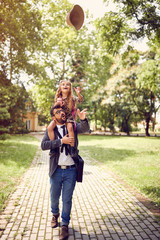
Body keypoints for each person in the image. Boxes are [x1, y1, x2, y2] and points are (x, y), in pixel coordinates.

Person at [41, 104, 89, 240]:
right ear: (53, 117)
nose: (61, 113)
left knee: (67, 199)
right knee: (54, 198)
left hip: (71, 170)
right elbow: (44, 145)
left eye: (62, 111)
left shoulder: (72, 126)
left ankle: (65, 225)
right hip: (56, 170)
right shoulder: (50, 130)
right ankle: (54, 214)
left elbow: (85, 129)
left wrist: (83, 120)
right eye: (57, 112)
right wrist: (61, 141)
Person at [47, 80, 83, 158]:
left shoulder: (72, 98)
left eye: (67, 85)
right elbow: (54, 109)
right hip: (59, 116)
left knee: (70, 128)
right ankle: (53, 148)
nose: (65, 86)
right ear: (60, 87)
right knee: (50, 127)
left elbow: (81, 100)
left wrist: (78, 94)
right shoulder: (58, 98)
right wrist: (58, 104)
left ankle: (73, 148)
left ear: (70, 88)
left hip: (69, 116)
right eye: (63, 84)